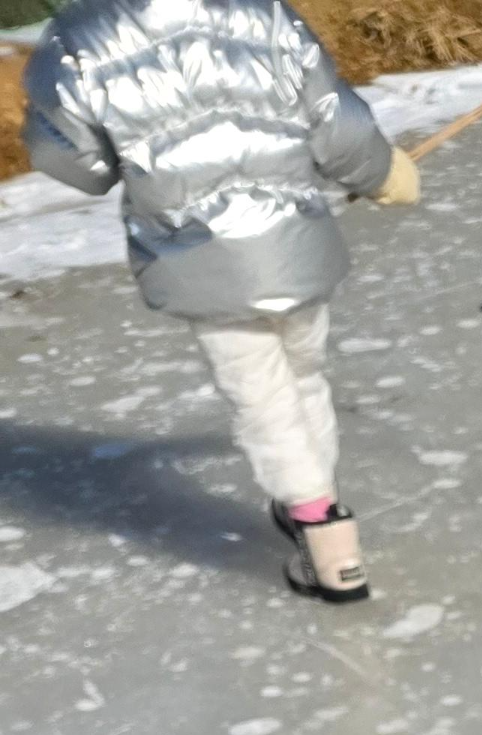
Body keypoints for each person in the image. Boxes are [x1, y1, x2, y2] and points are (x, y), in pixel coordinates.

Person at [24, 0, 418, 604]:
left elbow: (72, 161)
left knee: (262, 396)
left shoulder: (77, 38)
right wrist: (382, 174)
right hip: (294, 241)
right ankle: (315, 498)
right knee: (302, 374)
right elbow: (336, 124)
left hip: (198, 254)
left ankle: (324, 536)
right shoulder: (263, 12)